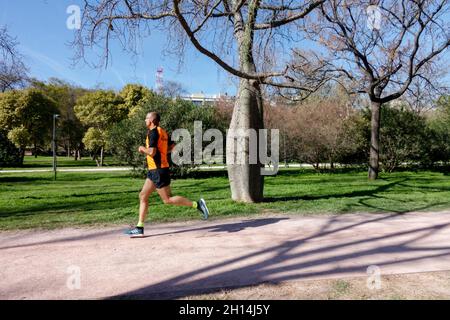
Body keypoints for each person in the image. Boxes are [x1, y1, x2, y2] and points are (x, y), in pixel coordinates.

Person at [124, 112, 209, 237]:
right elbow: (172, 147)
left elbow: (152, 152)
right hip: (155, 170)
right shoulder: (162, 132)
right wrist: (161, 152)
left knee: (167, 200)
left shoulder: (153, 132)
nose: (145, 120)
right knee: (143, 196)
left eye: (146, 118)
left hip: (158, 170)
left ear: (152, 120)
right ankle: (139, 227)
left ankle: (198, 205)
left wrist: (142, 149)